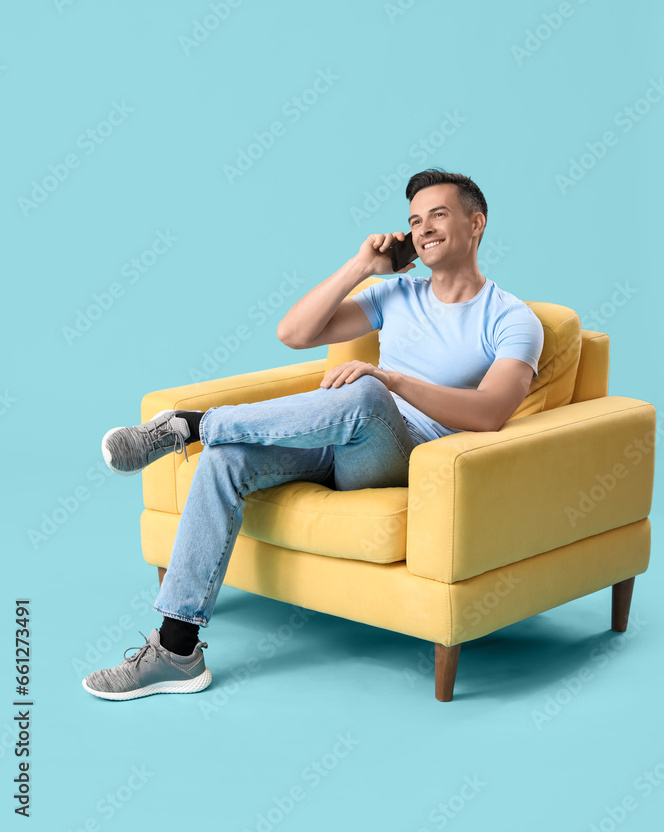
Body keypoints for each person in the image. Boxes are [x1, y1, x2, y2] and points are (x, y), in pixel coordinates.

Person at [81, 169, 544, 700]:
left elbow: (489, 413)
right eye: (414, 221)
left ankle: (190, 426)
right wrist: (362, 267)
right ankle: (177, 650)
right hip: (333, 436)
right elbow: (293, 333)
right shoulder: (396, 293)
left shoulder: (511, 318)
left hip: (403, 456)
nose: (423, 229)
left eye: (437, 214)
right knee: (226, 459)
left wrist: (390, 379)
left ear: (476, 222)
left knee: (367, 394)